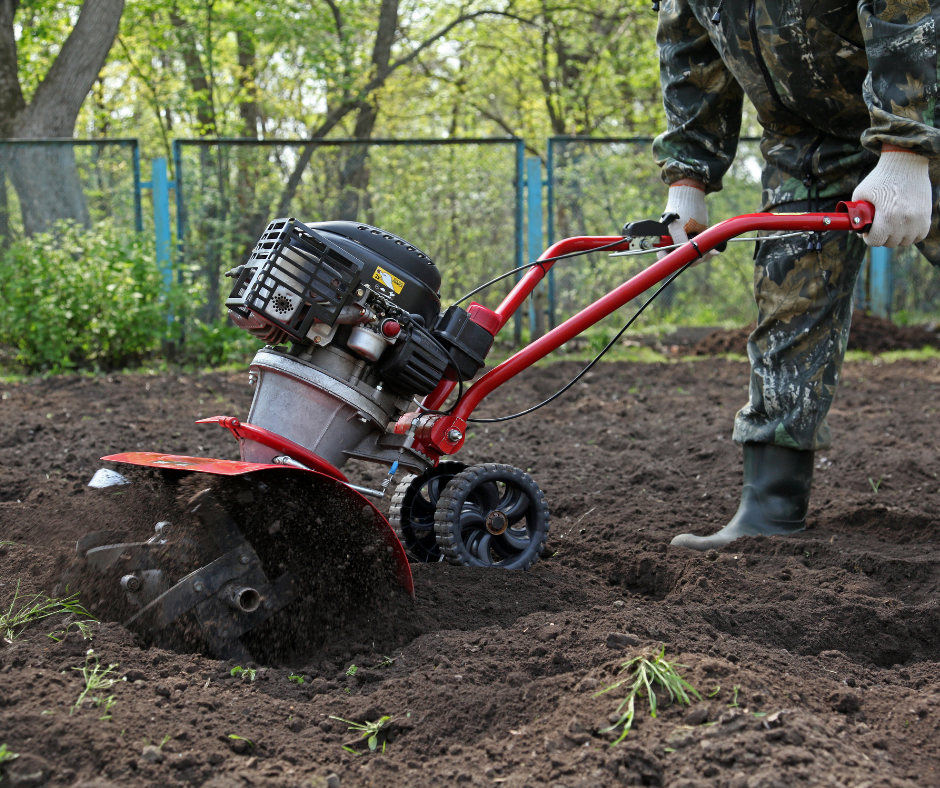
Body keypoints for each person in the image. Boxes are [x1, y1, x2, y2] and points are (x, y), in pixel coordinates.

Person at [652, 0, 940, 550]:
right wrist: (687, 178)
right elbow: (688, 44)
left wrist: (906, 144)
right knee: (788, 300)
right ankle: (769, 511)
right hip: (805, 142)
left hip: (928, 117)